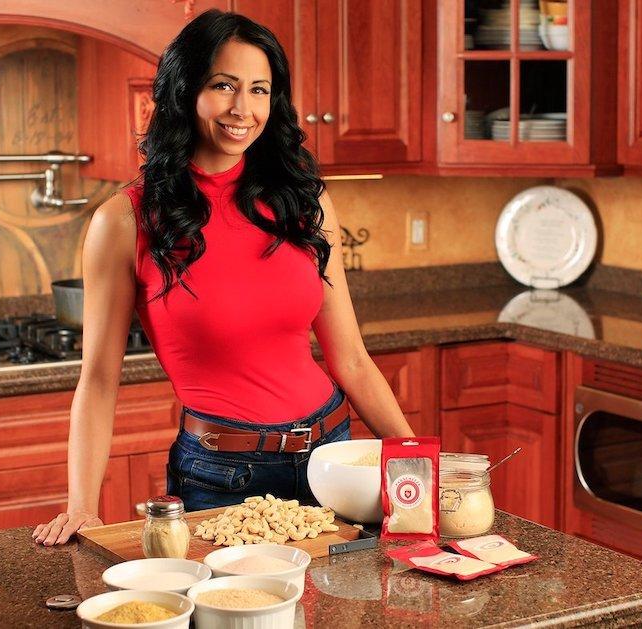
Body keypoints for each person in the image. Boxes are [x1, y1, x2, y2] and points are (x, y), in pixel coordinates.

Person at [33, 10, 415, 546]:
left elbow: (349, 358)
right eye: (223, 86)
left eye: (259, 90)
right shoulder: (124, 221)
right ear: (185, 92)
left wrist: (420, 466)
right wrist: (81, 506)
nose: (243, 109)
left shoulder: (304, 201)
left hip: (334, 460)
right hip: (222, 478)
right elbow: (98, 379)